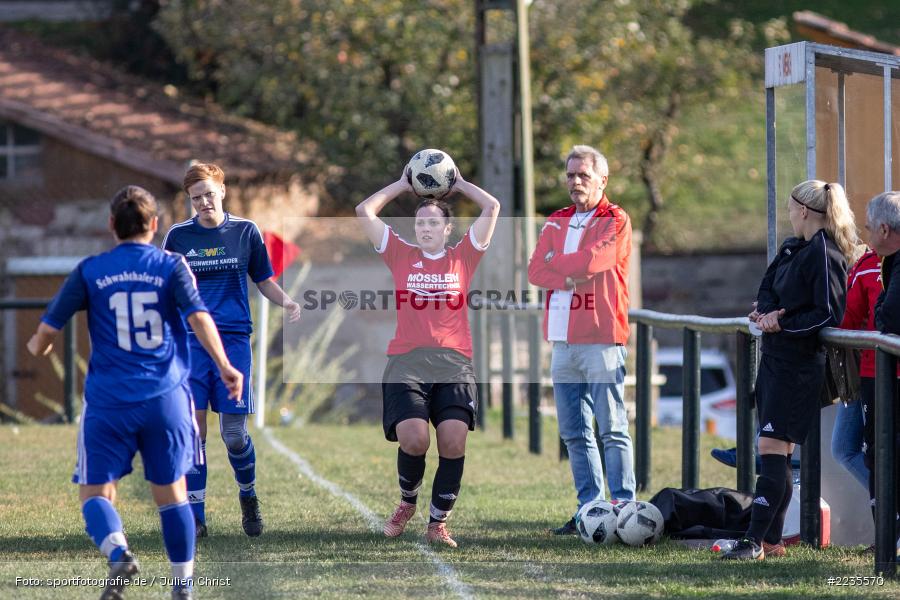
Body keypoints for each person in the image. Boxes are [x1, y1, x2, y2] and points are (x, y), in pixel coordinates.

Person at [26, 186, 243, 600]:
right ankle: (182, 587)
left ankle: (119, 551)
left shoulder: (91, 269)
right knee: (172, 494)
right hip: (166, 399)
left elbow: (46, 333)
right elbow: (198, 316)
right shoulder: (172, 264)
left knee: (95, 493)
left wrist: (38, 346)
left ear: (111, 225)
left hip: (110, 401)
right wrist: (225, 365)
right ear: (155, 224)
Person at [355, 165, 500, 548]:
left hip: (454, 362)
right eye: (419, 222)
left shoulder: (464, 257)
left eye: (433, 222)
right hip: (407, 362)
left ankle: (438, 522)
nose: (425, 228)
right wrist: (403, 185)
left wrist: (460, 185)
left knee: (453, 442)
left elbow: (493, 207)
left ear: (447, 229)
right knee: (415, 439)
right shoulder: (400, 254)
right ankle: (407, 503)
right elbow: (364, 211)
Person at [163, 163, 302, 538]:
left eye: (209, 194)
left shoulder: (245, 231)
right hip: (191, 342)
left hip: (235, 340)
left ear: (222, 191)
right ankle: (196, 515)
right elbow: (166, 288)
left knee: (235, 434)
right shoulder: (178, 236)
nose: (204, 203)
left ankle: (248, 495)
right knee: (194, 431)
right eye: (196, 198)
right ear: (189, 201)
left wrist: (287, 301)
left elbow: (263, 279)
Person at [721, 180, 857, 560]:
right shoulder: (791, 247)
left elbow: (829, 312)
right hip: (775, 361)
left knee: (771, 451)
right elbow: (767, 287)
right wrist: (764, 314)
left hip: (797, 368)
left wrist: (783, 323)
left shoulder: (824, 252)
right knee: (775, 453)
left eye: (790, 208)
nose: (788, 214)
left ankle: (753, 541)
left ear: (803, 211)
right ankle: (770, 541)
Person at [527, 145, 635, 535]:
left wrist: (561, 266)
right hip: (562, 341)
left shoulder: (615, 219)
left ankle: (624, 508)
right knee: (574, 431)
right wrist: (565, 273)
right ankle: (589, 510)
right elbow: (535, 270)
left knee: (612, 427)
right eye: (570, 175)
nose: (575, 182)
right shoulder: (556, 220)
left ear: (601, 180)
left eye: (583, 176)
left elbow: (593, 263)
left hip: (601, 336)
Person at [863, 191, 900, 542]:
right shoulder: (890, 261)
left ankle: (889, 545)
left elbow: (887, 317)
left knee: (882, 453)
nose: (867, 235)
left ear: (885, 230)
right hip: (881, 374)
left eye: (869, 228)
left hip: (890, 376)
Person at [832, 248, 878, 495]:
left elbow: (847, 319)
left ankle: (889, 512)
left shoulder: (870, 261)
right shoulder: (867, 261)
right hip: (860, 369)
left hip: (871, 368)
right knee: (844, 450)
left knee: (874, 453)